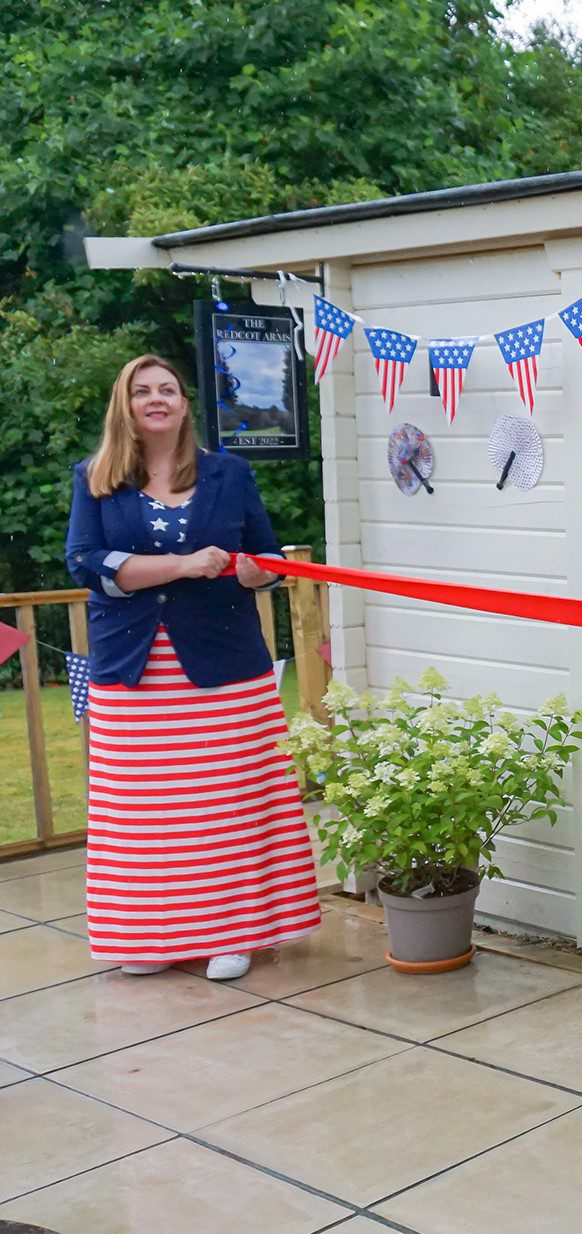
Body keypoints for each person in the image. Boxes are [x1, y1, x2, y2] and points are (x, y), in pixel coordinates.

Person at [63, 354, 316, 981]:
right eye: (142, 391)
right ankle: (149, 938)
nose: (156, 399)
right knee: (142, 814)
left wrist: (262, 570)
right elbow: (85, 561)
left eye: (168, 389)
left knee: (227, 803)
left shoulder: (228, 472)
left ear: (184, 404)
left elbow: (262, 554)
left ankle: (234, 932)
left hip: (225, 665)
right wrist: (181, 565)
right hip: (132, 667)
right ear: (125, 405)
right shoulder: (95, 476)